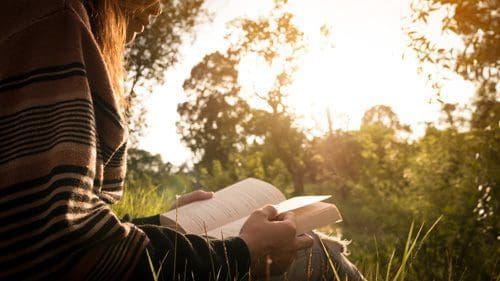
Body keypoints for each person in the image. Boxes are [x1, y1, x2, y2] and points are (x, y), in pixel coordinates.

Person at [0, 0, 365, 280]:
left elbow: (41, 225)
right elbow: (61, 249)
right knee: (313, 251)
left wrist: (160, 221)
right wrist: (241, 255)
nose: (159, 7)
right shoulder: (52, 20)